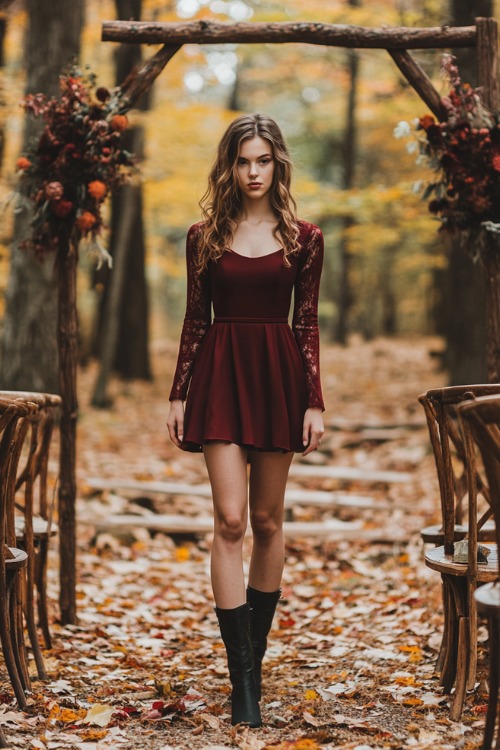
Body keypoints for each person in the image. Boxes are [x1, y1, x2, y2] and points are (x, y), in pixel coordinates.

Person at [167, 113, 325, 728]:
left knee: (267, 519)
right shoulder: (203, 235)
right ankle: (243, 682)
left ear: (277, 162)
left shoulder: (304, 237)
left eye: (262, 160)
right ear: (229, 165)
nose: (253, 171)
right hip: (219, 375)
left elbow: (307, 322)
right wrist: (179, 392)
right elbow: (193, 318)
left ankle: (253, 660)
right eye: (242, 161)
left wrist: (315, 399)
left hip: (279, 375)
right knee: (229, 519)